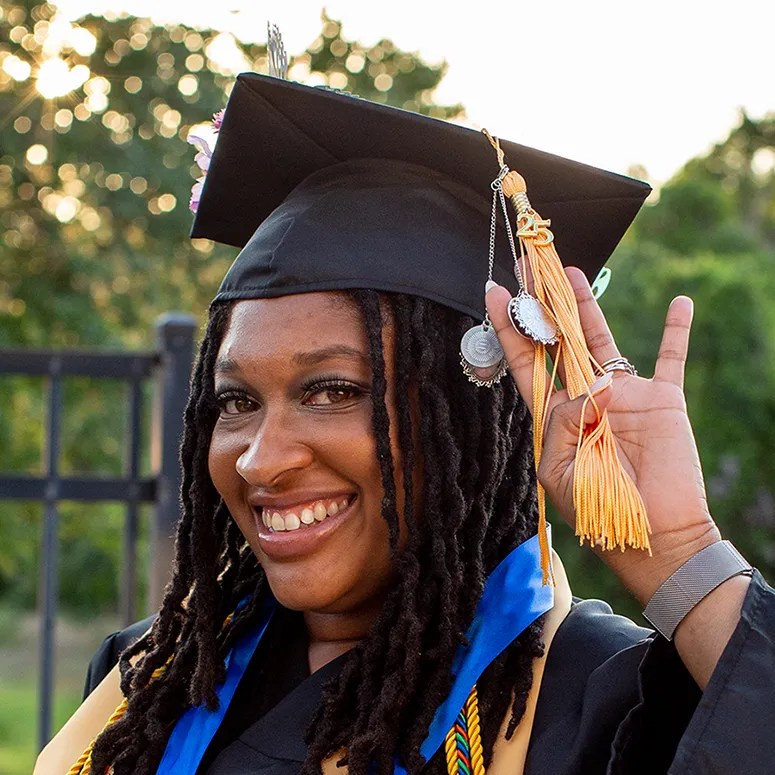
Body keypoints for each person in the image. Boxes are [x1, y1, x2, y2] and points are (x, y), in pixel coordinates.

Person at [36, 73, 774, 775]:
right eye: (237, 402)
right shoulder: (151, 678)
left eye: (331, 390)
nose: (261, 459)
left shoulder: (596, 696)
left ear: (468, 413)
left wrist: (681, 552)